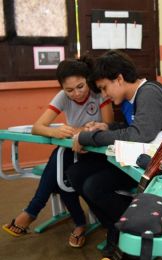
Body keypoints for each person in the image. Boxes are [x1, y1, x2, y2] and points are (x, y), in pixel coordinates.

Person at [66, 50, 162, 256]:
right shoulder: (131, 99)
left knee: (94, 186)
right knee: (75, 173)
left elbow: (138, 135)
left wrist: (85, 137)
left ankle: (131, 224)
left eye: (104, 88)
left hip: (154, 166)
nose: (104, 95)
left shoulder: (148, 93)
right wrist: (108, 127)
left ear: (119, 79)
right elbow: (135, 127)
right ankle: (115, 224)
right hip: (135, 160)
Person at [2, 57, 114, 248]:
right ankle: (79, 224)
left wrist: (80, 131)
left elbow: (110, 127)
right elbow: (38, 127)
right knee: (62, 175)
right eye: (69, 90)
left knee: (59, 166)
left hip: (96, 150)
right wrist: (54, 131)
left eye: (80, 86)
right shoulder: (63, 97)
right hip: (73, 149)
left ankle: (34, 212)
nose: (76, 93)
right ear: (62, 88)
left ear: (88, 80)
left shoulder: (98, 93)